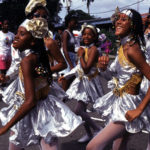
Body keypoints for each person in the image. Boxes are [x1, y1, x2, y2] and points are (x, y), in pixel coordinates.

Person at [0, 18, 82, 150]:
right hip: (43, 106)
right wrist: (8, 77)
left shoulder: (28, 60)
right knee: (46, 143)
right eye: (17, 33)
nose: (15, 36)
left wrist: (5, 127)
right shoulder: (36, 56)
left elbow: (30, 101)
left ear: (32, 41)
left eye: (21, 34)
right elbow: (41, 72)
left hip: (31, 106)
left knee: (28, 142)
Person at [86, 9, 150, 150]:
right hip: (120, 101)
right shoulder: (123, 47)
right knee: (119, 146)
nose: (118, 22)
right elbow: (113, 77)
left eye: (124, 19)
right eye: (118, 19)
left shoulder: (132, 49)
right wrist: (103, 69)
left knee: (92, 147)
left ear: (132, 25)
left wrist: (139, 109)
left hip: (128, 107)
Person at [59, 24, 104, 143]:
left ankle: (98, 129)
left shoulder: (93, 49)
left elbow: (86, 69)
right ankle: (91, 133)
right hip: (83, 84)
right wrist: (66, 76)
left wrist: (80, 55)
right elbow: (79, 68)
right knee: (79, 111)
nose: (86, 36)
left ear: (95, 37)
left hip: (91, 84)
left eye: (89, 34)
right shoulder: (85, 49)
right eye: (84, 34)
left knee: (86, 111)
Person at [25, 0, 68, 101]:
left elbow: (62, 64)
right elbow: (18, 61)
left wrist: (41, 71)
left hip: (42, 86)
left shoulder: (48, 42)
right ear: (31, 17)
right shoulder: (24, 38)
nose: (41, 18)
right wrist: (7, 77)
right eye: (37, 15)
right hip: (24, 85)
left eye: (44, 17)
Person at [59, 12, 78, 91]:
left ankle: (64, 98)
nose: (76, 24)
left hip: (72, 57)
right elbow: (65, 50)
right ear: (69, 22)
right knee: (67, 80)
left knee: (72, 78)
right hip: (67, 58)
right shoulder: (66, 33)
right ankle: (62, 99)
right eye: (74, 23)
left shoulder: (72, 33)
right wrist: (70, 64)